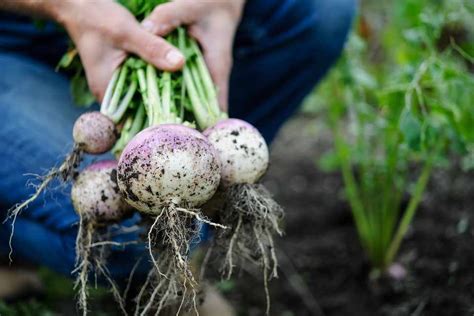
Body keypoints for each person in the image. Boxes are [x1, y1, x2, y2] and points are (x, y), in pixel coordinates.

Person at [0, 0, 356, 313]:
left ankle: (194, 224)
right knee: (122, 236)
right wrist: (73, 7)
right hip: (11, 43)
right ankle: (11, 241)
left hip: (151, 24)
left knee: (321, 9)